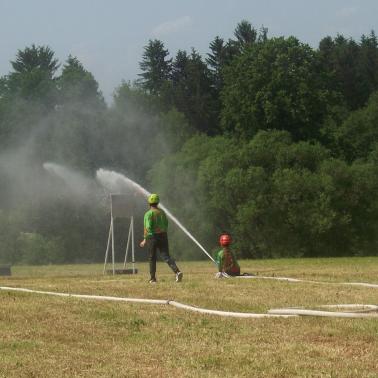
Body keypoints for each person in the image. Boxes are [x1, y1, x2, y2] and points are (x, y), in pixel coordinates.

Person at [139, 193, 183, 283]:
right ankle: (177, 272)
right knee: (166, 256)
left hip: (152, 237)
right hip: (163, 236)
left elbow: (147, 227)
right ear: (158, 202)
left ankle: (153, 279)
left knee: (152, 257)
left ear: (149, 203)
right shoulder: (162, 212)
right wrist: (161, 231)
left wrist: (145, 239)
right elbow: (166, 224)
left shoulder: (148, 214)